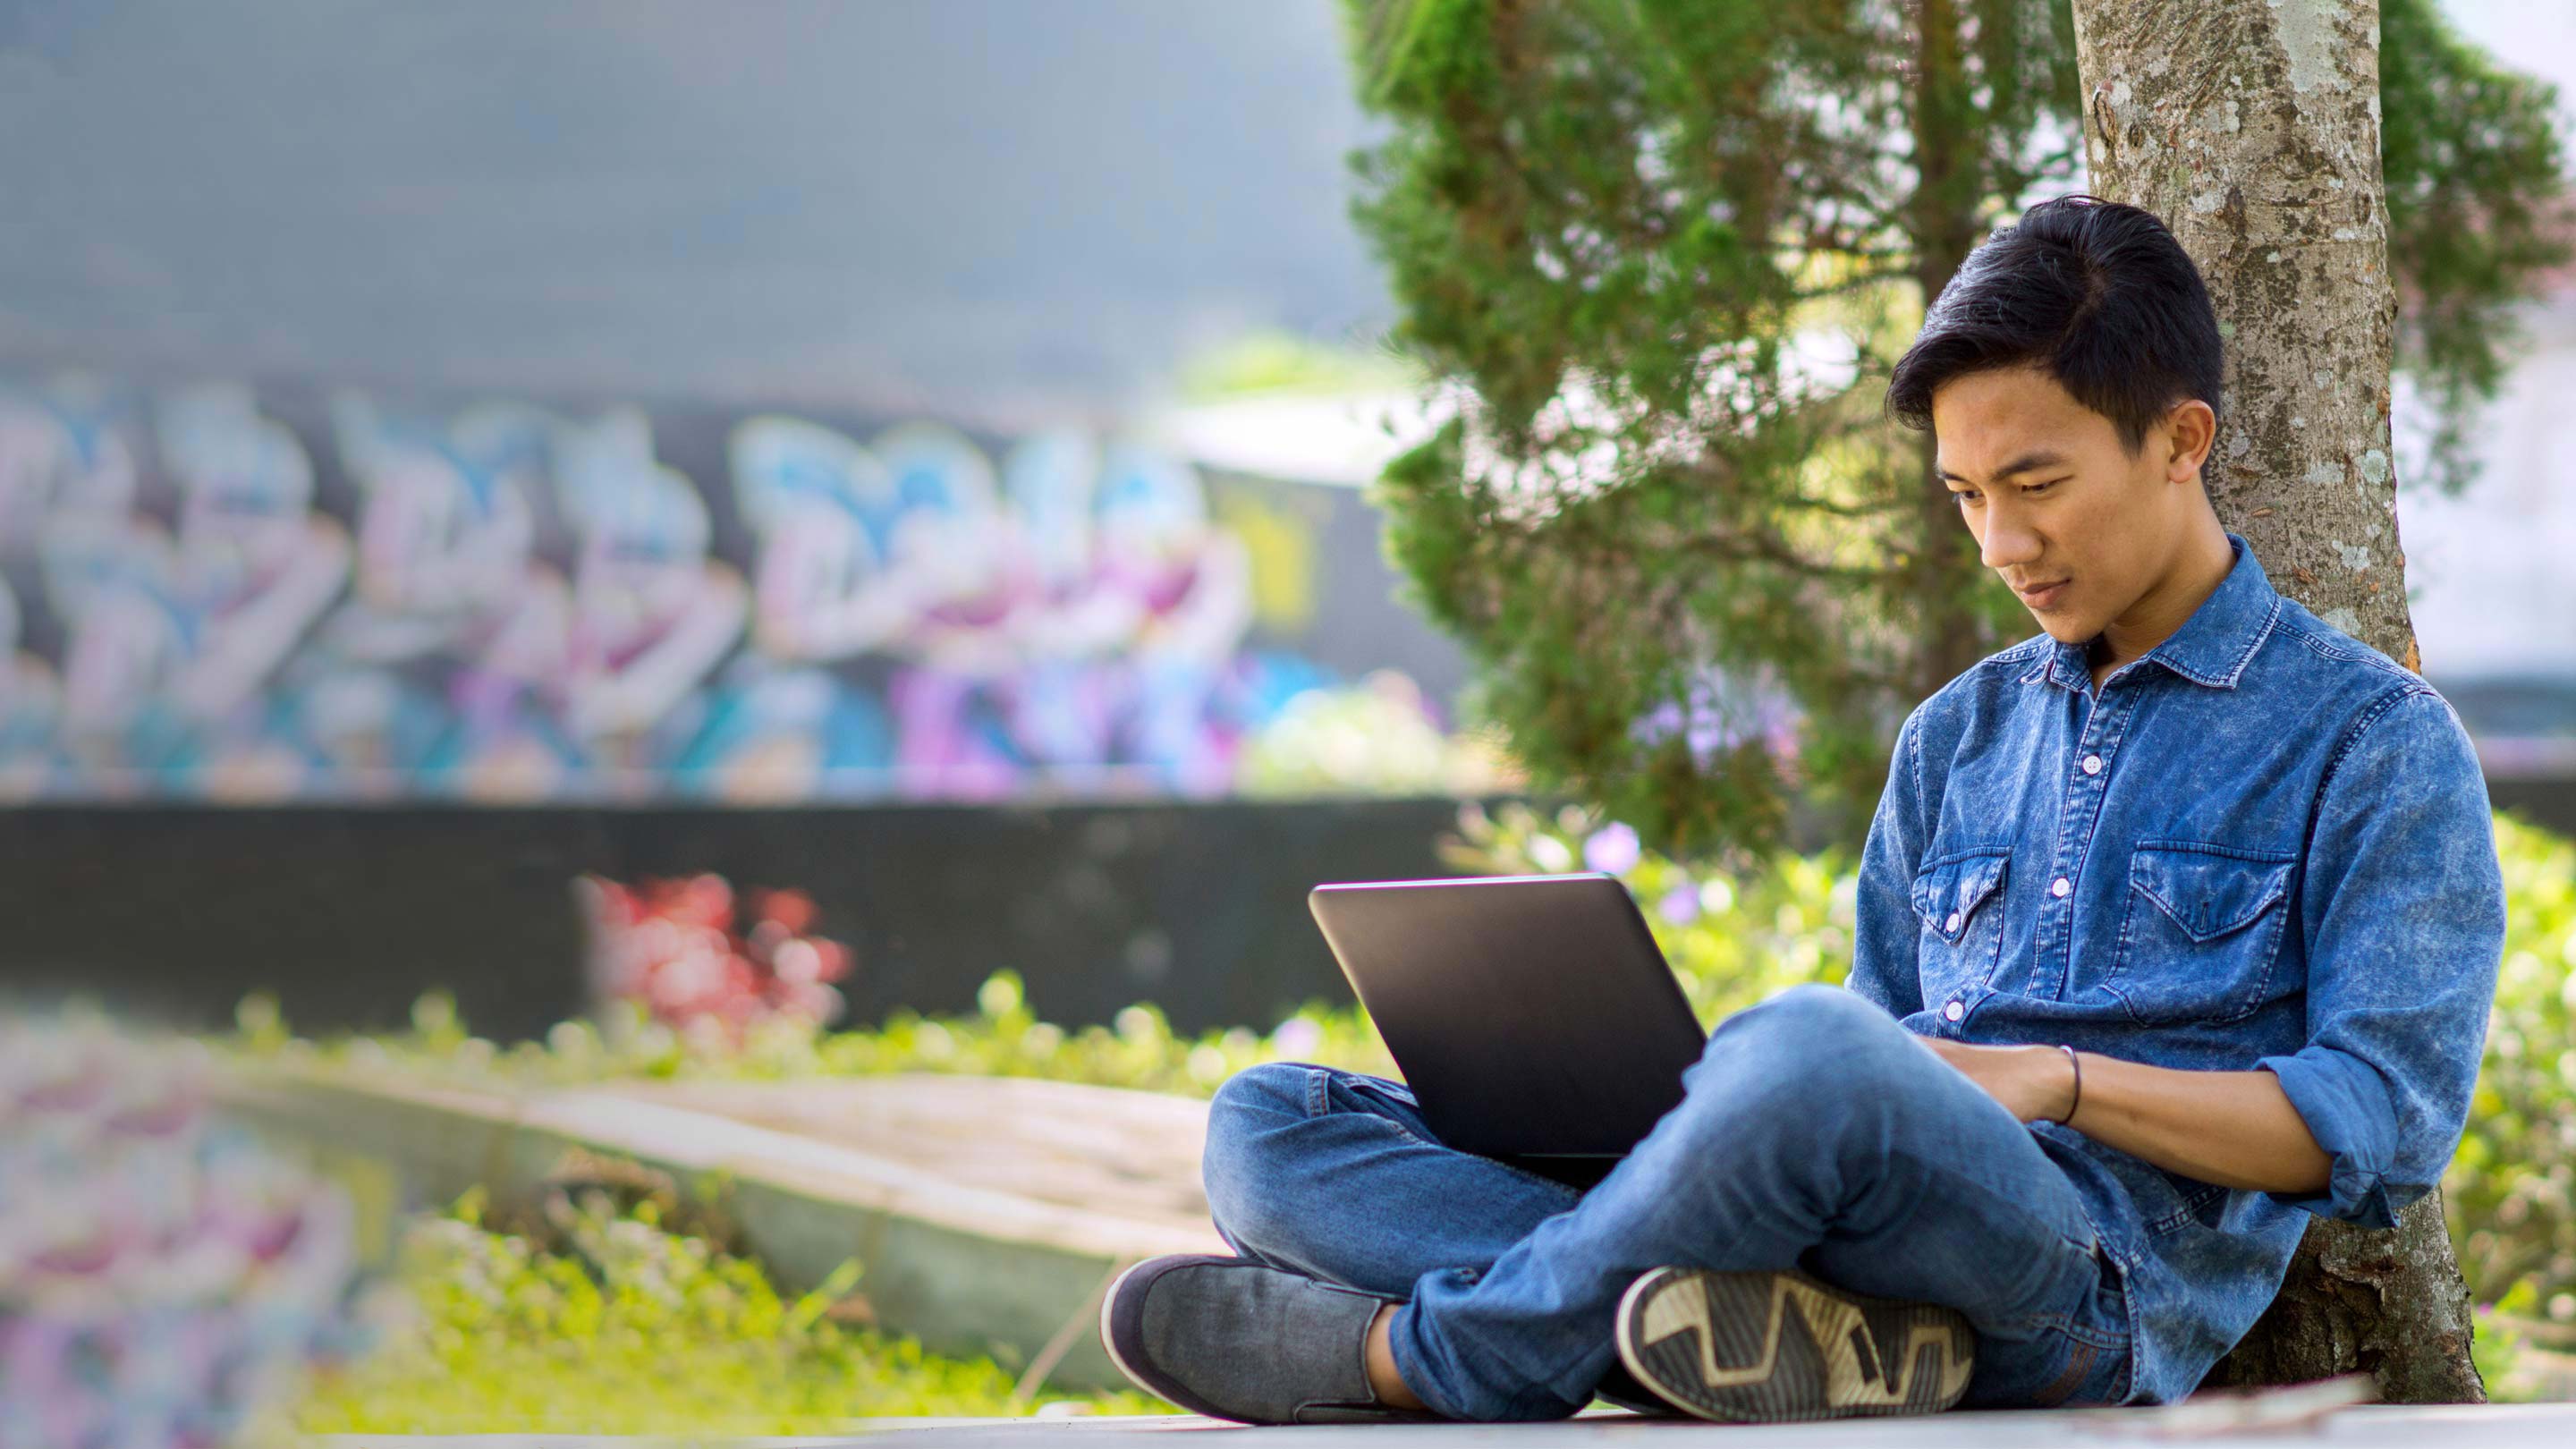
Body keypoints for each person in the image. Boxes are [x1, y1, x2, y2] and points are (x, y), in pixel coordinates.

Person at [1095, 196, 2507, 1424]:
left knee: (1813, 1050)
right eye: (1965, 494)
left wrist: (2056, 1080)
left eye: (2036, 485)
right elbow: (1871, 1061)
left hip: (2084, 1283)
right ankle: (1750, 1323)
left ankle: (1441, 1356)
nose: (2003, 544)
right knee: (1269, 1123)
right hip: (1862, 1254)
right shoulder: (1957, 736)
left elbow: (2381, 1123)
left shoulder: (2371, 741)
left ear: (2179, 440)